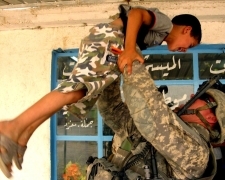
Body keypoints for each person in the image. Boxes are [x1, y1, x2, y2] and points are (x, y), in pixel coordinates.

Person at [0, 3, 202, 178]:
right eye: (190, 45)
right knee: (75, 91)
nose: (185, 50)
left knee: (79, 94)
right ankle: (12, 128)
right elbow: (136, 14)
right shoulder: (165, 23)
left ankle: (23, 135)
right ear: (186, 29)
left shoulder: (159, 37)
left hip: (108, 41)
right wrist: (130, 48)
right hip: (110, 38)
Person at [91, 61, 225, 179]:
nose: (193, 96)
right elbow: (112, 110)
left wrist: (131, 57)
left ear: (211, 118)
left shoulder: (198, 153)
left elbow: (148, 116)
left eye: (202, 98)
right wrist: (110, 67)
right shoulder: (171, 129)